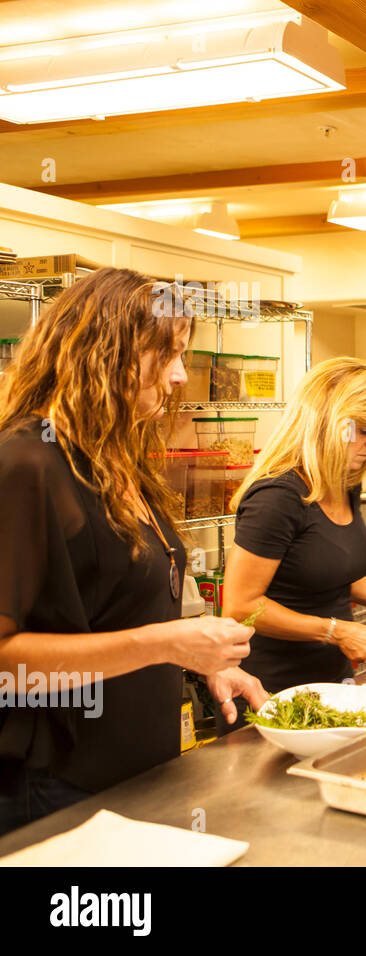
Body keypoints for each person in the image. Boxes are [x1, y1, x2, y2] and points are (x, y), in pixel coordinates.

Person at [0, 268, 266, 835]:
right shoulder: (27, 464)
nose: (177, 377)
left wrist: (193, 660)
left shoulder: (111, 458)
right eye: (165, 355)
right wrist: (167, 643)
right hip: (56, 784)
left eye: (183, 357)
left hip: (136, 770)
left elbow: (124, 614)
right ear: (105, 351)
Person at [222, 357, 366, 697]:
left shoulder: (344, 484)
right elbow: (240, 607)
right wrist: (337, 632)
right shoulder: (277, 496)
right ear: (328, 424)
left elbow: (329, 570)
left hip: (331, 677)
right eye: (365, 431)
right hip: (270, 687)